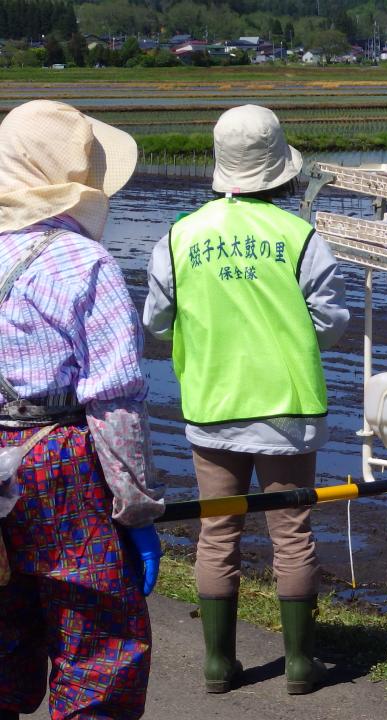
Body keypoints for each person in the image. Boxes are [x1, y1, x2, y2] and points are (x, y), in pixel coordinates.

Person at [143, 105, 349, 695]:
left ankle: (216, 664)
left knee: (217, 532)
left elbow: (158, 321)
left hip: (211, 407)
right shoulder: (301, 237)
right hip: (287, 409)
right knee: (292, 532)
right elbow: (330, 323)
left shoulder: (179, 236)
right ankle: (301, 665)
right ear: (281, 170)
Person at [0, 100, 165, 720]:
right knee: (95, 630)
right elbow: (114, 401)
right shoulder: (84, 263)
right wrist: (136, 506)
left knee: (3, 618)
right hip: (57, 466)